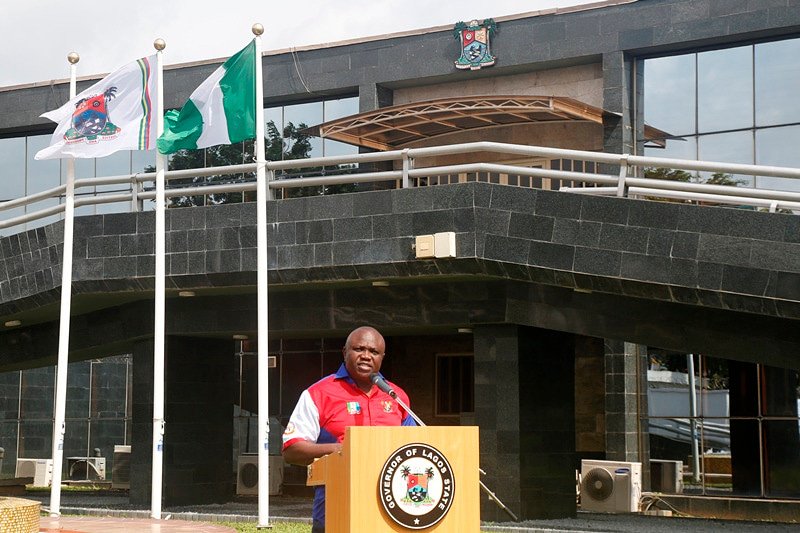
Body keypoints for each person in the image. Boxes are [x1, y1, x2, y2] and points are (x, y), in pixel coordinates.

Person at [282, 326, 416, 533]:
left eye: (373, 352)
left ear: (382, 357)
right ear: (345, 352)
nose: (366, 356)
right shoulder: (318, 393)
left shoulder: (396, 396)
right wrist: (344, 450)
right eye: (359, 349)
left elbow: (415, 449)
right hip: (335, 513)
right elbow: (292, 450)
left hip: (392, 517)